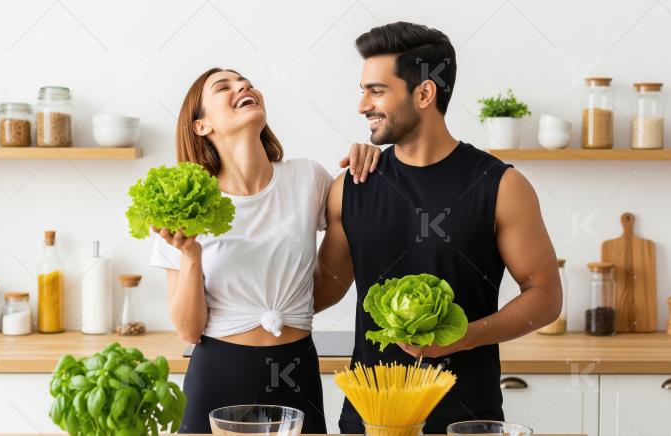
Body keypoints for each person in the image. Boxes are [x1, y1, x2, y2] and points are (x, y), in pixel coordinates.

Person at [313, 22, 563, 433]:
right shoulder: (352, 186)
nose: (362, 105)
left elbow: (546, 297)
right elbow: (322, 291)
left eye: (376, 91)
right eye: (363, 90)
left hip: (468, 420)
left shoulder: (501, 186)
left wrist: (462, 336)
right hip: (369, 419)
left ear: (425, 93)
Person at [149, 67, 381, 434]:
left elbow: (325, 287)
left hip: (295, 368)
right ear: (201, 126)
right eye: (223, 87)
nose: (243, 86)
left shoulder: (308, 178)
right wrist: (190, 255)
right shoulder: (185, 205)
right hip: (219, 373)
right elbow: (189, 330)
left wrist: (363, 167)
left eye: (246, 82)